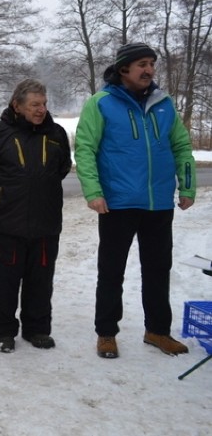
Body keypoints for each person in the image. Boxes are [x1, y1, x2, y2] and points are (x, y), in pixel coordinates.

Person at [76, 42, 196, 359]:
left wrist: (186, 187)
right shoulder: (101, 103)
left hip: (158, 203)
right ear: (123, 69)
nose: (149, 70)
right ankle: (106, 333)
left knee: (158, 269)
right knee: (111, 271)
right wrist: (93, 191)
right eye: (142, 63)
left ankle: (157, 330)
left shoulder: (164, 104)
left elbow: (182, 147)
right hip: (117, 203)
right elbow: (85, 149)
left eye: (152, 64)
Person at [0, 79, 71, 353]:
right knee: (4, 283)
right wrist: (3, 197)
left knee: (41, 281)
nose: (41, 110)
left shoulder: (57, 134)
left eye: (43, 104)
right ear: (17, 105)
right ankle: (2, 331)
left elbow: (62, 167)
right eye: (34, 105)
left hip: (46, 224)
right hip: (7, 224)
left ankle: (37, 329)